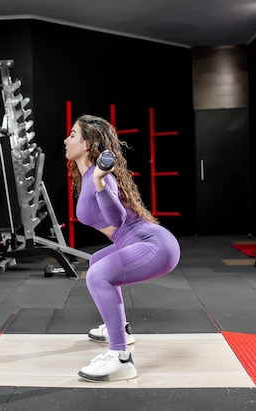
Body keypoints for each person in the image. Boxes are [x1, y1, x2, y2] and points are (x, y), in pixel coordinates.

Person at [64, 114, 181, 382]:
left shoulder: (99, 177)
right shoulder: (89, 175)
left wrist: (100, 184)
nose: (66, 139)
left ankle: (120, 358)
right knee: (97, 262)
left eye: (72, 134)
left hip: (154, 245)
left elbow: (116, 219)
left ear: (86, 144)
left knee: (98, 275)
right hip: (143, 241)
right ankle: (120, 330)